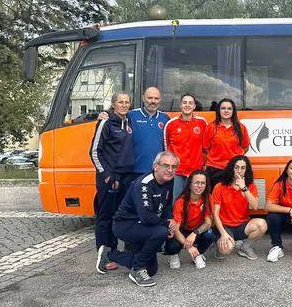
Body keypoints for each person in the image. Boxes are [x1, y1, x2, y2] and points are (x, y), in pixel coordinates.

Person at [95, 151, 179, 287]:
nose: (170, 170)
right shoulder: (144, 184)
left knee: (151, 270)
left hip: (144, 226)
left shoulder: (169, 180)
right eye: (166, 166)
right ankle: (137, 269)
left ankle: (110, 254)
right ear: (156, 166)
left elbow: (167, 204)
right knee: (161, 232)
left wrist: (170, 219)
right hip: (125, 225)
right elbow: (146, 217)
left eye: (174, 167)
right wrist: (166, 224)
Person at [90, 91, 134, 270]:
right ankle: (103, 257)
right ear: (114, 104)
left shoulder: (129, 121)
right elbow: (94, 151)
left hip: (125, 177)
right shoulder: (106, 122)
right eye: (120, 102)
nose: (124, 105)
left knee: (119, 216)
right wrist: (106, 175)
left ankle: (114, 253)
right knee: (105, 217)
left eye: (127, 102)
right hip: (109, 178)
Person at [211, 155, 267, 261]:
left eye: (243, 168)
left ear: (247, 170)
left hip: (242, 225)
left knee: (262, 224)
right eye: (236, 167)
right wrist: (223, 233)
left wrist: (244, 188)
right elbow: (215, 215)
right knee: (225, 250)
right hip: (225, 226)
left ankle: (245, 246)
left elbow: (255, 207)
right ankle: (220, 244)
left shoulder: (250, 186)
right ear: (231, 168)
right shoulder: (219, 187)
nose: (239, 171)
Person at [164, 169, 216, 270]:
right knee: (171, 246)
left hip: (196, 230)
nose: (200, 186)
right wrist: (189, 247)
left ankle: (197, 254)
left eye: (203, 183)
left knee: (210, 234)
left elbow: (208, 223)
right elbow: (176, 229)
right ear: (190, 184)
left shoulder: (208, 198)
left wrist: (195, 233)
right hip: (181, 230)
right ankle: (174, 255)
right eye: (196, 182)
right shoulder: (181, 201)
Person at [163, 94, 207, 201]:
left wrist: (204, 165)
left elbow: (207, 147)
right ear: (180, 105)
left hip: (196, 172)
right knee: (176, 201)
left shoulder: (202, 123)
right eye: (184, 102)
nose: (187, 105)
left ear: (194, 106)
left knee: (194, 202)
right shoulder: (171, 124)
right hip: (176, 172)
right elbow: (166, 147)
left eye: (190, 103)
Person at [203, 98, 249, 189]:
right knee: (214, 199)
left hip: (234, 170)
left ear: (233, 111)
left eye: (229, 108)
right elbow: (205, 148)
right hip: (214, 169)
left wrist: (234, 158)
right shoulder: (211, 127)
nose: (226, 111)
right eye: (223, 108)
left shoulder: (241, 128)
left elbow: (245, 147)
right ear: (218, 111)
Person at [128, 86, 170, 176]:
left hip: (159, 171)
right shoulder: (131, 115)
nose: (153, 101)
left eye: (156, 98)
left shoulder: (165, 118)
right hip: (136, 171)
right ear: (143, 98)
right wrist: (104, 116)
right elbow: (116, 120)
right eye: (150, 98)